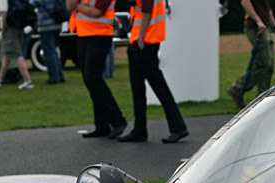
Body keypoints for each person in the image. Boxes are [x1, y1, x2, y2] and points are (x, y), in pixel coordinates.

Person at [119, 0, 188, 143]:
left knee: (157, 84)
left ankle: (177, 127)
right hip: (142, 40)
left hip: (145, 41)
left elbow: (147, 11)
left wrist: (140, 37)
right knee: (138, 85)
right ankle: (140, 129)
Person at [68, 0, 127, 138]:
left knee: (93, 78)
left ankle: (117, 120)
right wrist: (79, 7)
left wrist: (78, 6)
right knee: (89, 79)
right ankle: (101, 125)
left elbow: (97, 12)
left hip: (100, 34)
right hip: (83, 34)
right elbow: (70, 6)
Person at [226, 0, 275, 109]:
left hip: (265, 27)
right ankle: (237, 89)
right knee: (264, 63)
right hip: (255, 27)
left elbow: (267, 8)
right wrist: (258, 21)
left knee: (269, 65)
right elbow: (245, 2)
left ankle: (263, 96)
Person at [0, 0, 35, 89]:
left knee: (17, 54)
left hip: (9, 28)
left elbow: (4, 12)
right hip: (19, 27)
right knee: (6, 54)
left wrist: (3, 28)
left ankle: (28, 81)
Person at [33, 0, 66, 84]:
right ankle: (60, 75)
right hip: (57, 24)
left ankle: (54, 77)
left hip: (46, 25)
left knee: (49, 52)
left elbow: (33, 3)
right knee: (54, 51)